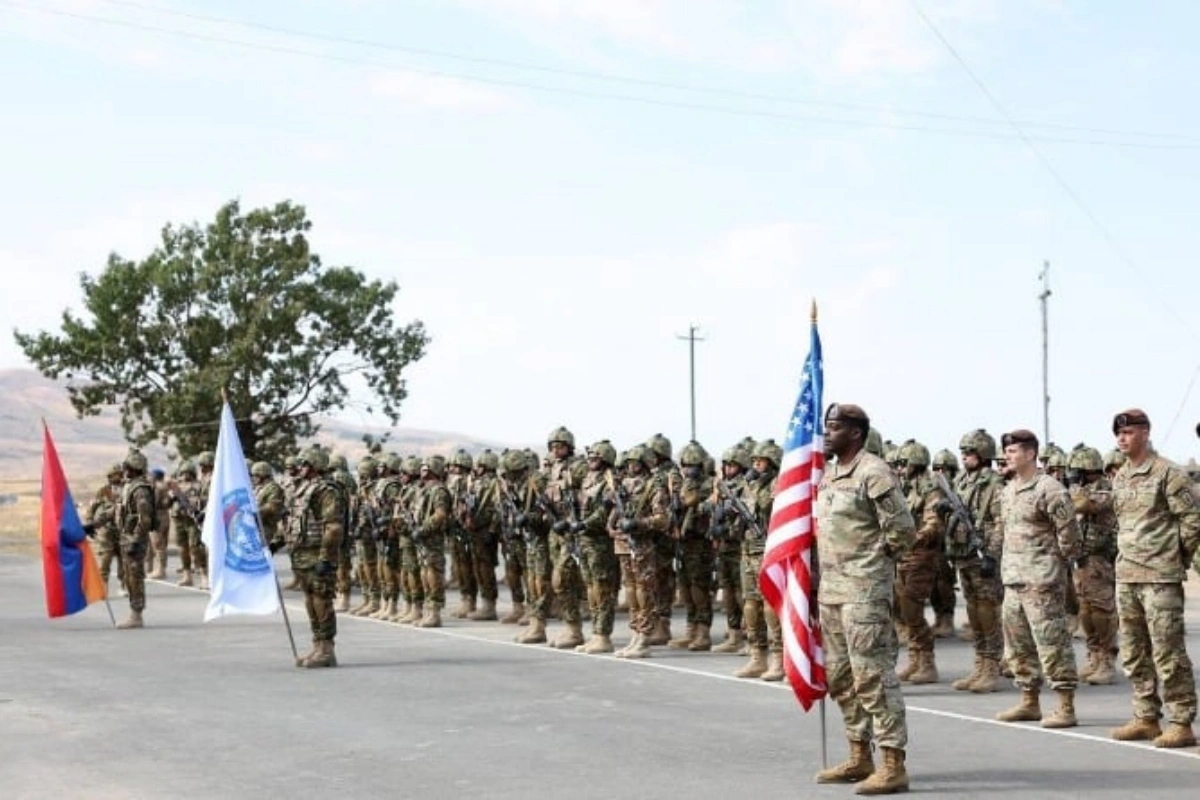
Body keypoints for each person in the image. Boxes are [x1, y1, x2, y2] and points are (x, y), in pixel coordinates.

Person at [814, 403, 916, 795]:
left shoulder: (873, 471)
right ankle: (859, 754)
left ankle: (893, 763)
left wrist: (873, 564)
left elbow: (902, 531)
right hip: (833, 592)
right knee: (840, 677)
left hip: (864, 592)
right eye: (827, 426)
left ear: (855, 433)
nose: (827, 433)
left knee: (872, 676)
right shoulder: (829, 474)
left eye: (835, 427)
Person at [1109, 409, 1200, 747]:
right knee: (1133, 651)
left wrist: (1175, 558)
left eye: (1129, 432)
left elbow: (1191, 521)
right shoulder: (1121, 476)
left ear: (1146, 433)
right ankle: (1146, 716)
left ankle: (1181, 722)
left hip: (1160, 577)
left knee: (1168, 652)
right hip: (1127, 576)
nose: (1122, 438)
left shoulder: (1169, 473)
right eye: (1118, 433)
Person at [994, 429, 1082, 728]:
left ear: (1031, 454)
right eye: (1006, 451)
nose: (1008, 456)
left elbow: (1069, 534)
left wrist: (1055, 565)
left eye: (1014, 451)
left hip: (1042, 580)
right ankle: (1029, 702)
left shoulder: (1050, 489)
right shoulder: (1008, 490)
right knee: (1017, 645)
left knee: (1052, 643)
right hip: (1014, 579)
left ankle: (1065, 706)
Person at [274, 447, 347, 668]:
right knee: (310, 599)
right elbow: (291, 518)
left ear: (315, 466)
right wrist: (276, 543)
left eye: (305, 464)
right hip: (301, 552)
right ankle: (317, 645)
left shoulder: (327, 491)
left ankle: (327, 649)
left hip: (318, 553)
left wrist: (326, 557)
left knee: (321, 599)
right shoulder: (300, 488)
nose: (300, 468)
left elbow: (333, 527)